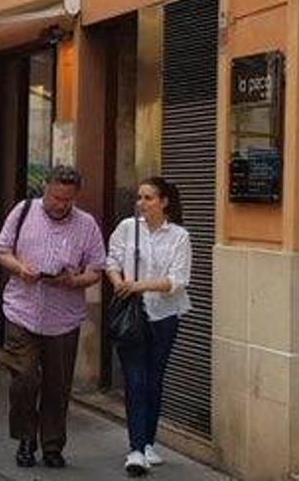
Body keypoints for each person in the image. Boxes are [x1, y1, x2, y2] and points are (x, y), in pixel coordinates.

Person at [0, 166, 106, 469]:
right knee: (24, 379)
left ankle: (53, 445)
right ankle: (25, 439)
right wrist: (20, 269)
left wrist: (75, 281)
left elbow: (97, 268)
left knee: (58, 385)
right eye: (56, 197)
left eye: (67, 200)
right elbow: (1, 251)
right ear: (46, 189)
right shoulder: (23, 211)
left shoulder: (87, 225)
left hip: (63, 317)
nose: (60, 204)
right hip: (22, 309)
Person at [105, 177, 191, 477]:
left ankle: (149, 441)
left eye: (149, 198)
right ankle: (136, 450)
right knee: (135, 380)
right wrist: (119, 284)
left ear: (164, 201)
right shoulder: (128, 228)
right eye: (140, 197)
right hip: (133, 315)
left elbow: (178, 280)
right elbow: (112, 260)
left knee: (154, 380)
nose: (141, 203)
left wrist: (137, 285)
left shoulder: (179, 236)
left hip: (165, 316)